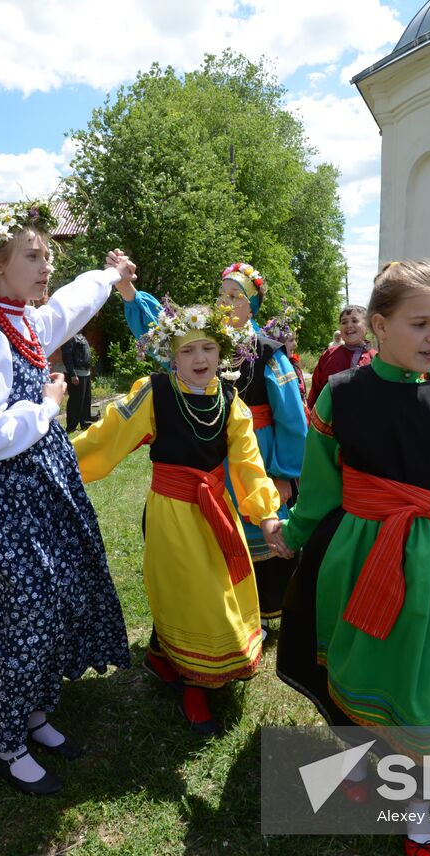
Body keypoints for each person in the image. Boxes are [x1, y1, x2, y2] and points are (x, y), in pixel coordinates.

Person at [277, 259, 430, 856]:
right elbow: (321, 484)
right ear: (378, 326)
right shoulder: (342, 394)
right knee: (360, 662)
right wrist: (297, 532)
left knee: (424, 681)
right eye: (419, 323)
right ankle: (360, 760)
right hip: (356, 558)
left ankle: (419, 808)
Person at [0, 201, 134, 796]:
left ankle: (35, 714)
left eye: (48, 254)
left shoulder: (26, 323)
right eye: (32, 255)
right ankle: (6, 747)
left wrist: (111, 276)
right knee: (22, 618)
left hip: (43, 486)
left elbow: (74, 303)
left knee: (55, 602)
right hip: (9, 496)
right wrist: (49, 407)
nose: (46, 264)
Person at [74, 300, 281, 734]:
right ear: (172, 355)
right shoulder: (155, 392)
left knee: (216, 589)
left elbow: (247, 463)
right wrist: (56, 458)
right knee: (190, 594)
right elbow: (107, 435)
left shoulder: (231, 401)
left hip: (216, 511)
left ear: (222, 352)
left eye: (208, 348)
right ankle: (194, 684)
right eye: (188, 351)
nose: (200, 359)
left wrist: (264, 514)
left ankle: (162, 656)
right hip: (171, 513)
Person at [118, 262, 307, 627]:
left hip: (256, 451)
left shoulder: (268, 352)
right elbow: (163, 334)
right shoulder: (206, 341)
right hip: (209, 450)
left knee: (258, 522)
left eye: (236, 296)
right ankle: (216, 604)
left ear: (252, 306)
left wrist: (286, 475)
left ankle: (265, 610)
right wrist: (130, 293)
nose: (226, 302)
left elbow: (292, 419)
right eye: (222, 295)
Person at [307, 305, 375, 410]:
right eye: (344, 322)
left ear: (367, 325)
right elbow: (315, 392)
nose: (349, 325)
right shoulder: (328, 355)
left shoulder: (375, 358)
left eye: (355, 320)